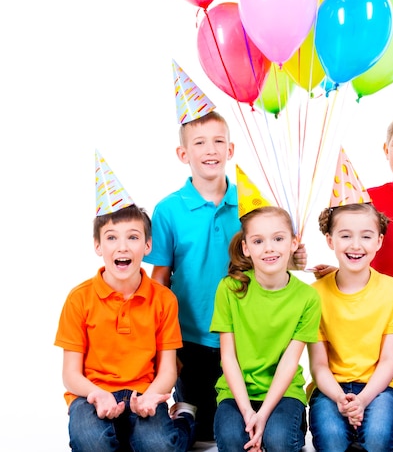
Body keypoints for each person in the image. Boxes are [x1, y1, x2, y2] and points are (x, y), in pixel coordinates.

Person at [145, 68, 307, 442]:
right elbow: (160, 280)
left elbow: (278, 257)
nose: (211, 150)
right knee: (203, 432)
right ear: (183, 153)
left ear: (231, 150)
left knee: (236, 423)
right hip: (190, 334)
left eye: (219, 141)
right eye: (200, 143)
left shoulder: (250, 206)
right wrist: (163, 342)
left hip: (247, 334)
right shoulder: (168, 210)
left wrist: (297, 254)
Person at [55, 196, 195, 451]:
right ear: (97, 245)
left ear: (148, 245)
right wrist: (96, 394)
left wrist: (151, 396)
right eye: (111, 238)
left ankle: (184, 420)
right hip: (90, 394)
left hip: (143, 392)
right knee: (91, 441)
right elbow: (70, 374)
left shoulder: (164, 299)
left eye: (132, 237)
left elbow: (167, 370)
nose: (122, 247)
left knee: (158, 446)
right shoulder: (79, 299)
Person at [210, 205, 321, 452]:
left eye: (278, 239)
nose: (269, 248)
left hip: (284, 392)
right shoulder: (229, 289)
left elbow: (289, 362)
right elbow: (228, 357)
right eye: (258, 241)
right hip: (236, 392)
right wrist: (249, 413)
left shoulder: (308, 297)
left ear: (294, 243)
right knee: (232, 440)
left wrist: (263, 415)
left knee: (279, 441)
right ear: (246, 248)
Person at [308, 202, 393, 452]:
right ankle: (353, 430)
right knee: (331, 442)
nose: (356, 245)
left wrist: (363, 400)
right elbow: (319, 365)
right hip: (331, 388)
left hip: (381, 387)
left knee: (378, 439)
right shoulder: (314, 295)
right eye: (345, 236)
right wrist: (339, 399)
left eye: (366, 236)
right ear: (330, 240)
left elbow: (390, 361)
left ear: (379, 241)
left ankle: (360, 430)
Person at [314, 113, 393, 285]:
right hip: (376, 301)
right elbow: (356, 247)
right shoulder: (366, 199)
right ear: (386, 150)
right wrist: (340, 273)